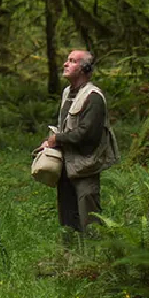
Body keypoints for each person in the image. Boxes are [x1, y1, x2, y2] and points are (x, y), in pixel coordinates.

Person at [39, 48, 107, 236]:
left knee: (90, 221)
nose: (65, 64)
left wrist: (57, 139)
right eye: (67, 60)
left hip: (85, 167)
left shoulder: (94, 97)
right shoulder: (67, 93)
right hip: (66, 167)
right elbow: (66, 128)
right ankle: (70, 259)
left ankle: (94, 261)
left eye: (72, 61)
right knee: (68, 220)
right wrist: (49, 143)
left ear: (85, 68)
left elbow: (87, 134)